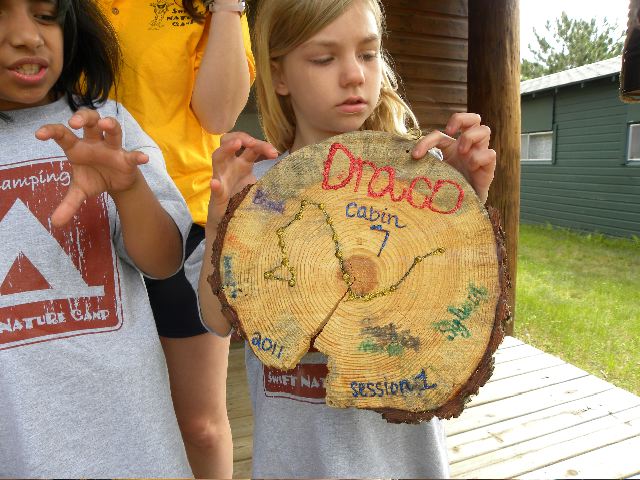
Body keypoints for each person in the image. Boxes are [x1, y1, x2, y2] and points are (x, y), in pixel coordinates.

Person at [199, 0, 497, 477]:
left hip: (404, 465)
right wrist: (221, 225)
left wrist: (464, 204)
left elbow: (460, 305)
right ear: (279, 75)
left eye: (368, 53)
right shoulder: (257, 190)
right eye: (324, 58)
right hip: (297, 464)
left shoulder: (419, 182)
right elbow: (215, 321)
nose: (354, 75)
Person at [0, 0, 193, 477]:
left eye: (46, 13)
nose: (28, 35)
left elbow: (163, 261)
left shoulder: (107, 126)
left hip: (132, 442)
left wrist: (128, 188)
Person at [96, 2, 254, 475]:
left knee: (201, 424)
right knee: (105, 414)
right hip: (81, 218)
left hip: (183, 215)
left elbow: (219, 114)